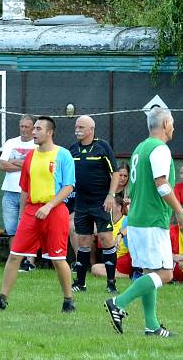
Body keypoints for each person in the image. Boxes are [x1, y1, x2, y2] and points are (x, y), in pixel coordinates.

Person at [104, 107, 183, 337]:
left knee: (150, 272)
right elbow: (162, 184)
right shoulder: (160, 149)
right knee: (165, 274)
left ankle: (151, 326)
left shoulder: (140, 148)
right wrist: (180, 211)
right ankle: (118, 302)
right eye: (171, 123)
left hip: (137, 219)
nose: (173, 127)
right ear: (164, 124)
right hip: (152, 220)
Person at [0, 116, 77, 313]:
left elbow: (69, 187)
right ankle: (1, 299)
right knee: (15, 254)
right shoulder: (30, 158)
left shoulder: (63, 155)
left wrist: (49, 206)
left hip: (55, 210)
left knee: (58, 259)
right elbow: (25, 188)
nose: (33, 132)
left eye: (38, 129)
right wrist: (23, 214)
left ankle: (69, 300)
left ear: (50, 132)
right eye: (33, 128)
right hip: (32, 212)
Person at [69, 115, 122, 294]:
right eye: (76, 126)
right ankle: (81, 283)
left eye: (81, 127)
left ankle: (111, 283)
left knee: (106, 239)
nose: (77, 129)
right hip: (81, 203)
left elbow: (115, 172)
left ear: (91, 129)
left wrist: (110, 195)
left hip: (101, 203)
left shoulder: (102, 147)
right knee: (83, 241)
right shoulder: (73, 150)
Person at [0, 114, 37, 272]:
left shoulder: (37, 145)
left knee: (28, 227)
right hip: (9, 191)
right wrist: (25, 165)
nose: (24, 130)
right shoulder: (11, 143)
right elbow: (2, 165)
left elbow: (35, 168)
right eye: (22, 126)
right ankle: (16, 261)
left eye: (27, 127)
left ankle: (30, 262)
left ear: (33, 128)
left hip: (29, 193)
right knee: (12, 228)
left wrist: (14, 161)